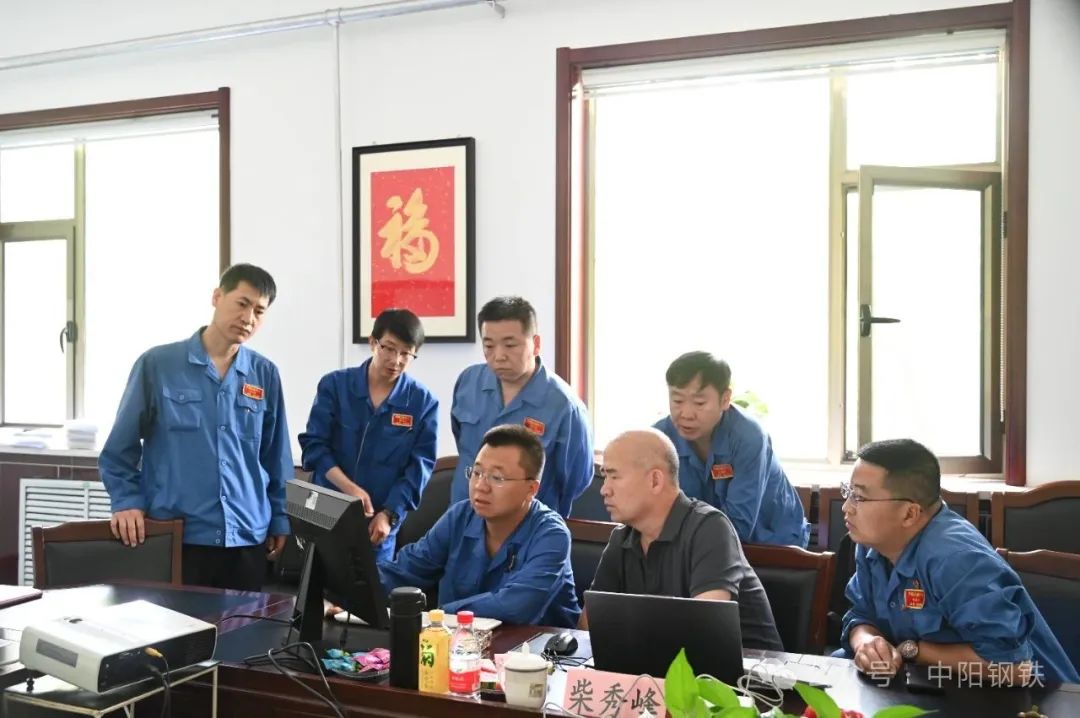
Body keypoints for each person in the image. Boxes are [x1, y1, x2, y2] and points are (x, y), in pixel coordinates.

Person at [99, 263, 293, 591]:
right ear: (217, 297)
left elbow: (276, 457)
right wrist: (127, 501)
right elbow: (118, 450)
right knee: (175, 626)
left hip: (246, 537)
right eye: (242, 303)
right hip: (178, 537)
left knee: (246, 625)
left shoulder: (265, 374)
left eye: (259, 311)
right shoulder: (158, 365)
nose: (248, 318)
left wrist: (280, 518)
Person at [836, 439, 1079, 684]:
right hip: (932, 684)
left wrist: (913, 650)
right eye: (848, 492)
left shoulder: (956, 560)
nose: (846, 507)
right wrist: (867, 642)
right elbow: (860, 614)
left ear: (909, 513)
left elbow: (1016, 669)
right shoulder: (874, 543)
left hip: (1033, 695)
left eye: (859, 497)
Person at [580, 429, 783, 651]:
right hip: (664, 665)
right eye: (604, 476)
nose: (604, 489)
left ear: (655, 480)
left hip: (747, 669)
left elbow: (704, 629)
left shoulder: (710, 528)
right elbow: (588, 628)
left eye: (614, 476)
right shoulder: (622, 538)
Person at [379, 424, 580, 628]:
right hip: (460, 642)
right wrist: (361, 588)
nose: (480, 486)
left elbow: (515, 607)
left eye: (497, 478)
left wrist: (440, 615)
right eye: (477, 472)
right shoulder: (459, 516)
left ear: (531, 489)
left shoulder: (552, 535)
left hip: (537, 645)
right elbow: (405, 571)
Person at [298, 308, 438, 562]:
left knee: (371, 585)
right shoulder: (335, 385)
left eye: (406, 353)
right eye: (389, 348)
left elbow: (419, 468)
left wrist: (389, 514)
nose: (396, 360)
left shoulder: (422, 402)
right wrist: (349, 488)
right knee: (315, 581)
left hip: (378, 519)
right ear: (373, 342)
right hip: (324, 506)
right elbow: (315, 447)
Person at [450, 296, 592, 517]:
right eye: (489, 346)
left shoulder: (564, 406)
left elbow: (575, 481)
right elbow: (464, 446)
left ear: (536, 344)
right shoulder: (468, 382)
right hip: (464, 519)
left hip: (529, 527)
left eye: (510, 345)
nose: (499, 356)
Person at [654, 351, 809, 547]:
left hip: (773, 544)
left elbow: (739, 526)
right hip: (699, 545)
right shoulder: (660, 438)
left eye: (699, 403)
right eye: (677, 401)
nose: (686, 414)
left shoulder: (749, 437)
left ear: (725, 399)